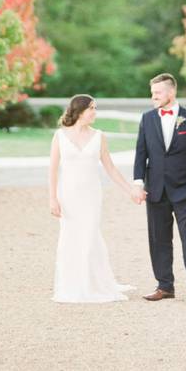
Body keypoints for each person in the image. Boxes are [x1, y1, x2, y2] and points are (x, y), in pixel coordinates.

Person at [48, 94, 138, 303]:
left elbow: (111, 169)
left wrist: (130, 190)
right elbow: (52, 170)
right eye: (91, 108)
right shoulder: (60, 136)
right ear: (79, 111)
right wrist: (52, 198)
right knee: (70, 237)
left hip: (91, 195)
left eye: (95, 108)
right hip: (68, 194)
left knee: (90, 235)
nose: (94, 112)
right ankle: (72, 282)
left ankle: (92, 282)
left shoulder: (99, 136)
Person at [131, 73, 186, 304]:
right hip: (155, 189)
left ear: (171, 93)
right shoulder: (147, 119)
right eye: (152, 93)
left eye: (157, 93)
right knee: (158, 239)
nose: (153, 97)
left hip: (185, 189)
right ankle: (164, 286)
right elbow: (140, 153)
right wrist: (138, 184)